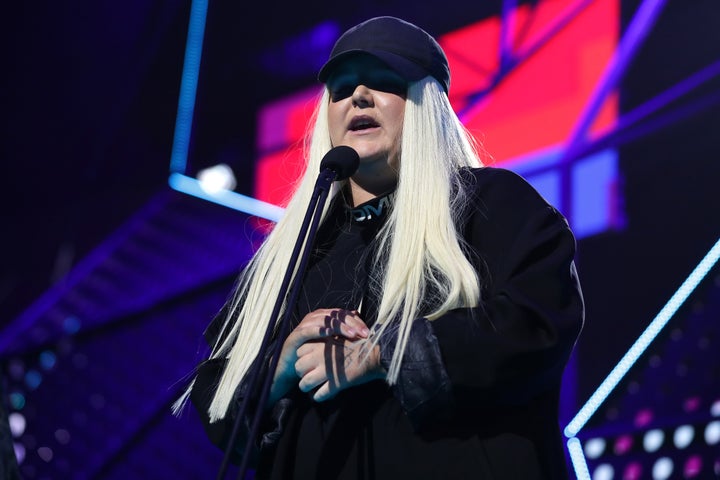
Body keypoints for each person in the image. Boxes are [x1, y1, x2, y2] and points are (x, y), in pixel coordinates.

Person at [175, 15, 584, 480]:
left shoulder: (490, 204)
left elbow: (537, 324)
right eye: (342, 88)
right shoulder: (288, 258)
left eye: (383, 81)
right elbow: (215, 401)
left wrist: (384, 354)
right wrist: (280, 365)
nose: (358, 96)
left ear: (425, 106)